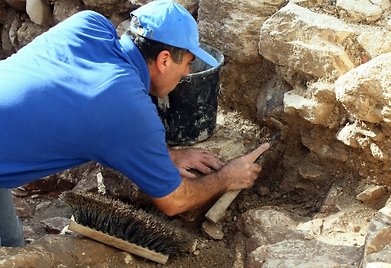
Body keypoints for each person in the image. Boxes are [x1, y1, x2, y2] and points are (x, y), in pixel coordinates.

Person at [0, 0, 269, 247]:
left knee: (10, 242)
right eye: (187, 62)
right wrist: (226, 177)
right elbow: (175, 201)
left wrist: (161, 156)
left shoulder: (88, 23)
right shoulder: (126, 107)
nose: (187, 72)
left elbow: (86, 110)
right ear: (164, 60)